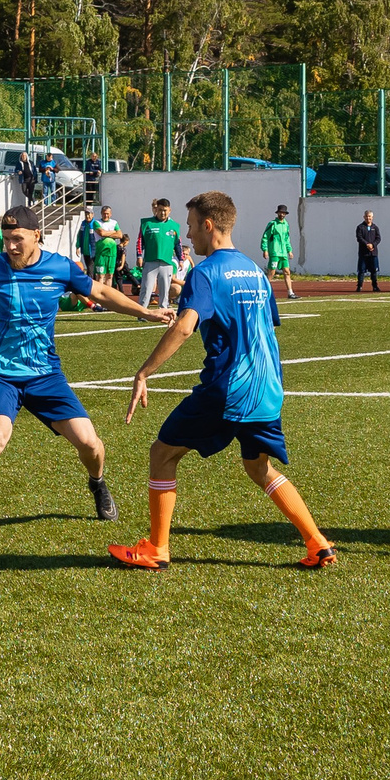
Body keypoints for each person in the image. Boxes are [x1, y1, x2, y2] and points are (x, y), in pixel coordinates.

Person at [0, 203, 158, 545]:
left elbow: (100, 292)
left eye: (17, 238)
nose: (10, 246)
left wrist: (146, 312)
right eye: (6, 238)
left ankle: (97, 482)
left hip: (45, 375)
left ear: (37, 235)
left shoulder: (60, 267)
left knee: (90, 444)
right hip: (1, 372)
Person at [110, 189, 336, 571]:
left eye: (192, 226)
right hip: (268, 386)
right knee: (258, 467)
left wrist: (144, 371)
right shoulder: (255, 272)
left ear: (209, 225)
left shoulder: (206, 273)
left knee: (162, 454)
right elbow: (267, 326)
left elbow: (185, 326)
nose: (188, 234)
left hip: (229, 388)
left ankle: (157, 549)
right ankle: (317, 543)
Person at [139, 199, 183, 316]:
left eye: (165, 210)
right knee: (147, 288)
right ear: (156, 210)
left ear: (169, 210)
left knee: (164, 290)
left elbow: (177, 244)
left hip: (166, 262)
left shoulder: (174, 226)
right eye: (160, 210)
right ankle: (142, 312)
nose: (162, 213)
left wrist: (181, 259)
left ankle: (163, 311)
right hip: (150, 261)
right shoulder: (146, 223)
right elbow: (140, 241)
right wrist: (139, 255)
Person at [261, 203, 298, 299]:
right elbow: (265, 237)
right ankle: (264, 291)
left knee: (287, 271)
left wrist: (289, 250)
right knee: (271, 272)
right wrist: (265, 249)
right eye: (280, 213)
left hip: (283, 253)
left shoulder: (286, 225)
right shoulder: (272, 224)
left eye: (283, 213)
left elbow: (286, 239)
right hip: (275, 252)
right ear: (278, 213)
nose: (282, 214)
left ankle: (290, 293)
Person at [354, 209, 382, 292]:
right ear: (364, 217)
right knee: (361, 270)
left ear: (372, 217)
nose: (368, 218)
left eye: (369, 216)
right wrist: (367, 244)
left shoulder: (375, 227)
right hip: (363, 253)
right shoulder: (360, 227)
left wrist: (373, 245)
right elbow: (359, 238)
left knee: (374, 270)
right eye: (366, 216)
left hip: (373, 253)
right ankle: (359, 286)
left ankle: (375, 286)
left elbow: (378, 238)